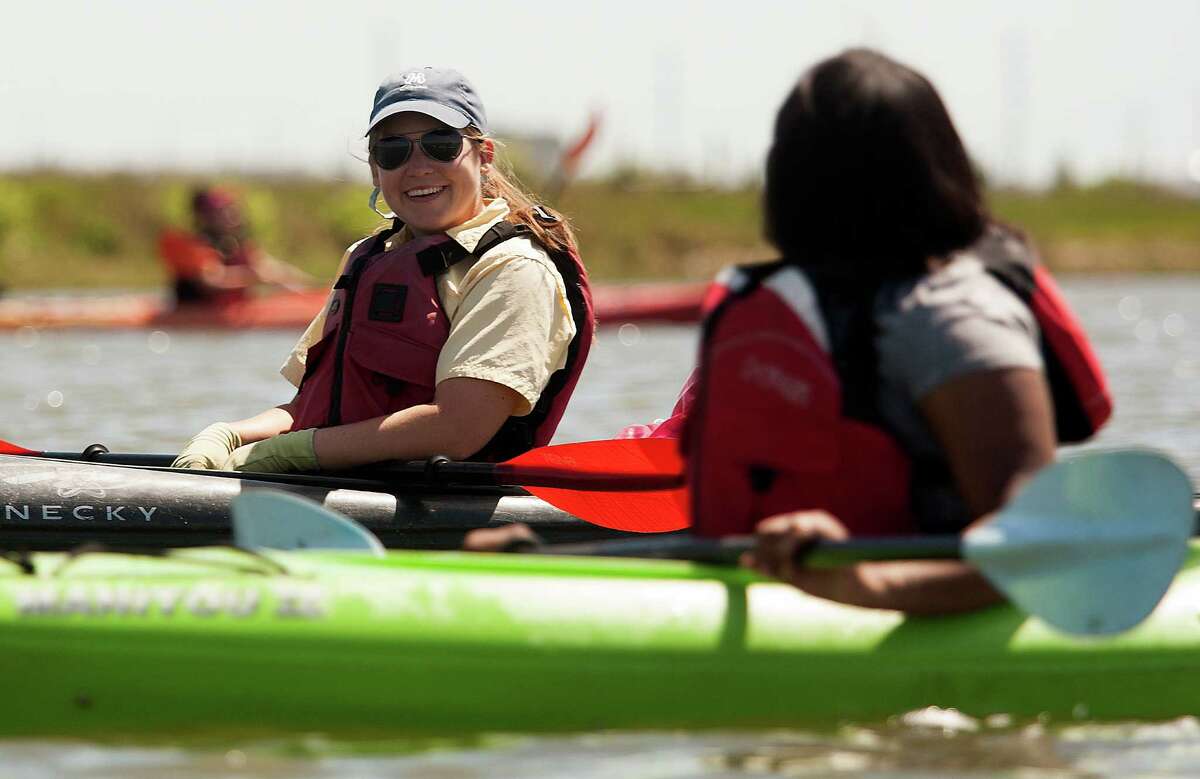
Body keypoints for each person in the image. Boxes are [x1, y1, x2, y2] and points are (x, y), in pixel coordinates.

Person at [630, 49, 1111, 614]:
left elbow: (1036, 548)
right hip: (775, 606)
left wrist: (867, 587)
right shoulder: (790, 307)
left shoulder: (956, 316)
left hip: (921, 611)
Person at [172, 67, 594, 474]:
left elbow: (458, 429)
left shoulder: (513, 269)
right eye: (393, 151)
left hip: (447, 504)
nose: (418, 165)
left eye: (440, 144)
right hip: (338, 480)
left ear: (483, 156)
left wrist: (293, 453)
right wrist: (232, 435)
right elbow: (311, 409)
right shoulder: (366, 257)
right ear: (375, 168)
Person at [158, 186, 314, 305]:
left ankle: (313, 296)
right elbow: (211, 281)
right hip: (199, 310)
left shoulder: (236, 245)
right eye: (225, 212)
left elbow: (273, 268)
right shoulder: (195, 245)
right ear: (207, 217)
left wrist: (313, 286)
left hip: (234, 308)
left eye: (232, 211)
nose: (233, 217)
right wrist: (255, 277)